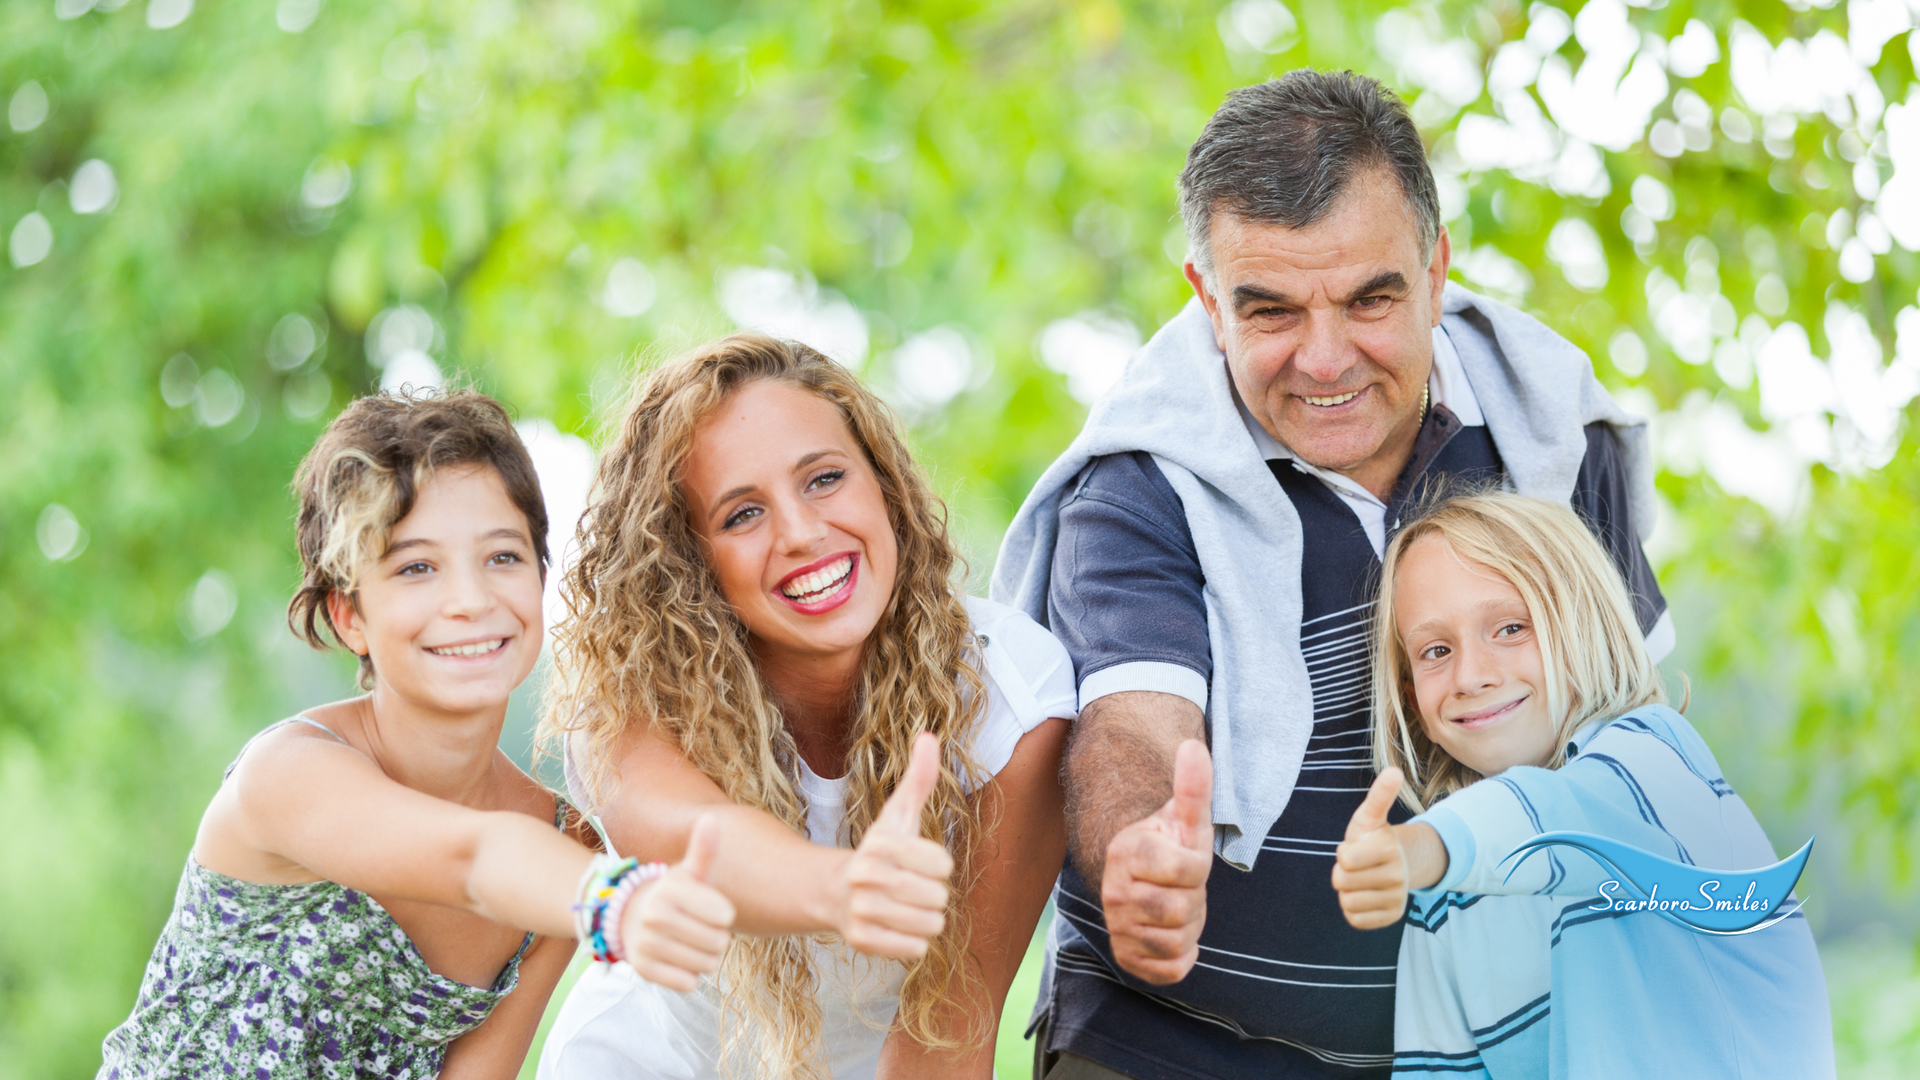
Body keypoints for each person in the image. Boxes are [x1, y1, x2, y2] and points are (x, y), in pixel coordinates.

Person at [993, 71, 1673, 1079]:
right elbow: (1135, 722)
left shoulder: (1554, 438)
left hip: (1492, 1046)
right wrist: (1141, 847)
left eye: (1370, 300)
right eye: (1269, 310)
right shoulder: (1138, 481)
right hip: (1167, 1046)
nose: (1323, 359)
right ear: (1206, 300)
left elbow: (1639, 732)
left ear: (1436, 272)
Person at [98, 391, 735, 1080]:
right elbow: (473, 859)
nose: (470, 600)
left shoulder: (566, 846)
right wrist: (622, 902)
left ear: (541, 577)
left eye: (502, 557)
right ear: (349, 615)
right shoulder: (285, 775)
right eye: (415, 567)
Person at [536, 335, 1076, 1080]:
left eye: (824, 478)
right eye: (741, 515)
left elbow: (946, 1042)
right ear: (689, 563)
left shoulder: (1010, 699)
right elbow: (701, 841)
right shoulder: (632, 698)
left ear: (882, 482)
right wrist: (842, 889)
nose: (801, 532)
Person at [1331, 491, 1833, 1078]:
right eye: (1436, 651)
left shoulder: (1653, 757)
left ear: (1585, 628)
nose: (1470, 676)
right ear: (1412, 699)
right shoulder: (1442, 904)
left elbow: (1562, 817)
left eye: (1512, 628)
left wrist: (1416, 849)